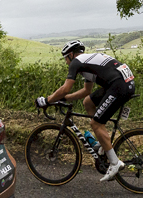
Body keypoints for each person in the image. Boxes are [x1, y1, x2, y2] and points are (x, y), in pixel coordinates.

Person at [36, 40, 136, 182]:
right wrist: (64, 99)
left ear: (70, 55)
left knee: (96, 124)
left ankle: (115, 163)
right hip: (123, 83)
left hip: (119, 86)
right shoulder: (87, 63)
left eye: (65, 59)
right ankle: (102, 142)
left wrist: (46, 100)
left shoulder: (77, 62)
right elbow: (86, 91)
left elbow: (66, 88)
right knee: (88, 102)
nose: (66, 63)